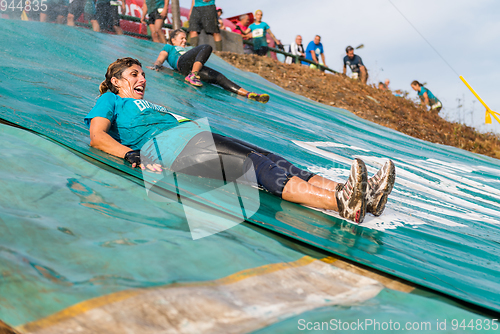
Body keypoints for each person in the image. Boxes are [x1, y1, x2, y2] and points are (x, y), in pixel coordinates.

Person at [85, 57, 396, 224]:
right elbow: (97, 137)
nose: (142, 79)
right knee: (258, 168)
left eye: (142, 74)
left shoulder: (149, 104)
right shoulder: (111, 100)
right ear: (116, 81)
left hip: (192, 135)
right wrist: (130, 155)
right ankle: (341, 202)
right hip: (171, 147)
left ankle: (362, 196)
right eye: (135, 74)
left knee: (277, 161)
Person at [152, 29, 270, 103]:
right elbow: (161, 57)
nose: (184, 41)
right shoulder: (169, 47)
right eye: (181, 38)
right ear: (173, 40)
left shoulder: (188, 50)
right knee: (206, 47)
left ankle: (248, 94)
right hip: (181, 63)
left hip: (191, 67)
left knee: (219, 77)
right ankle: (193, 75)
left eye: (185, 38)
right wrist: (157, 65)